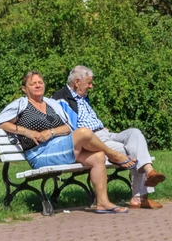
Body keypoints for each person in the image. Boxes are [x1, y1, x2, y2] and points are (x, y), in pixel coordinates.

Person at [0, 71, 137, 213]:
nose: (38, 86)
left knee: (98, 156)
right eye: (33, 84)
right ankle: (113, 155)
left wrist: (51, 132)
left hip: (59, 145)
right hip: (40, 153)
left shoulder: (51, 104)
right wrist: (26, 131)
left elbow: (68, 127)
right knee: (84, 132)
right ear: (25, 89)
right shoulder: (21, 104)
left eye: (40, 82)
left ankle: (102, 202)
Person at [52, 66, 166, 209]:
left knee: (135, 133)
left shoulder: (82, 97)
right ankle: (139, 197)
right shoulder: (60, 99)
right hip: (92, 140)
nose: (91, 86)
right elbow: (67, 127)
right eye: (88, 83)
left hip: (106, 133)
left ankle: (149, 173)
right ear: (76, 82)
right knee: (136, 151)